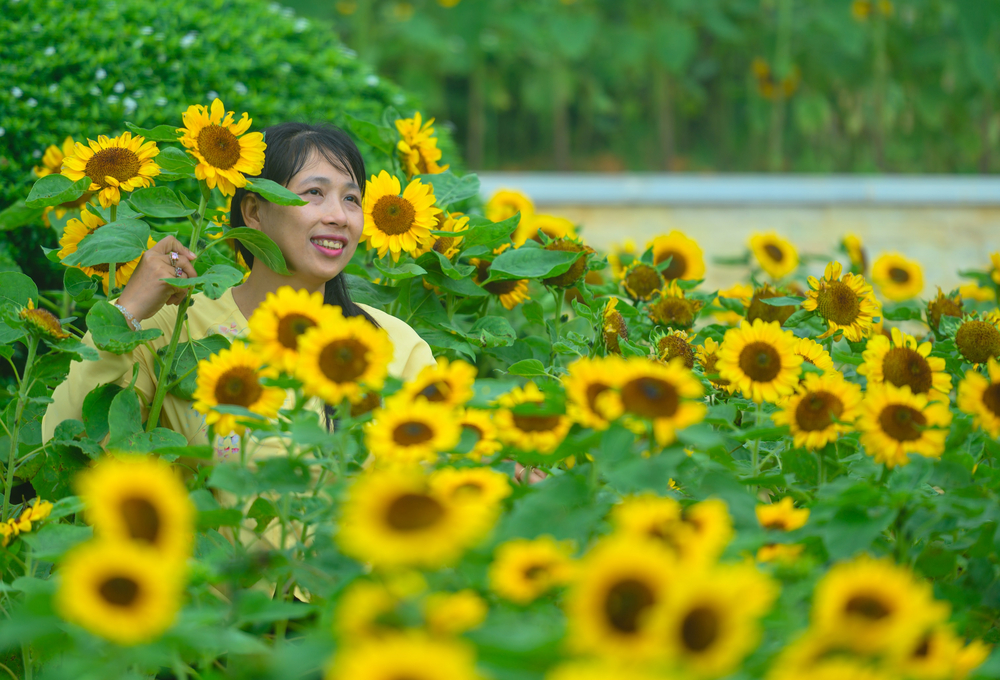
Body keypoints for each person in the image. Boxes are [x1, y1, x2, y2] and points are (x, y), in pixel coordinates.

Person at [42, 122, 435, 456]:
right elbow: (70, 443)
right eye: (314, 193)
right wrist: (125, 312)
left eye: (351, 199)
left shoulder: (396, 346)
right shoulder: (175, 327)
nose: (338, 216)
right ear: (253, 212)